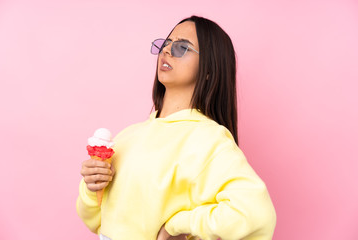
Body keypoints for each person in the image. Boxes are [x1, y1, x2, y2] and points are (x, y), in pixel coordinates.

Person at [77, 15, 276, 240]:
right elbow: (96, 220)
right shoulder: (126, 137)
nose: (167, 51)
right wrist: (92, 188)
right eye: (165, 44)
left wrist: (179, 225)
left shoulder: (208, 139)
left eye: (183, 47)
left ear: (209, 68)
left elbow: (255, 214)